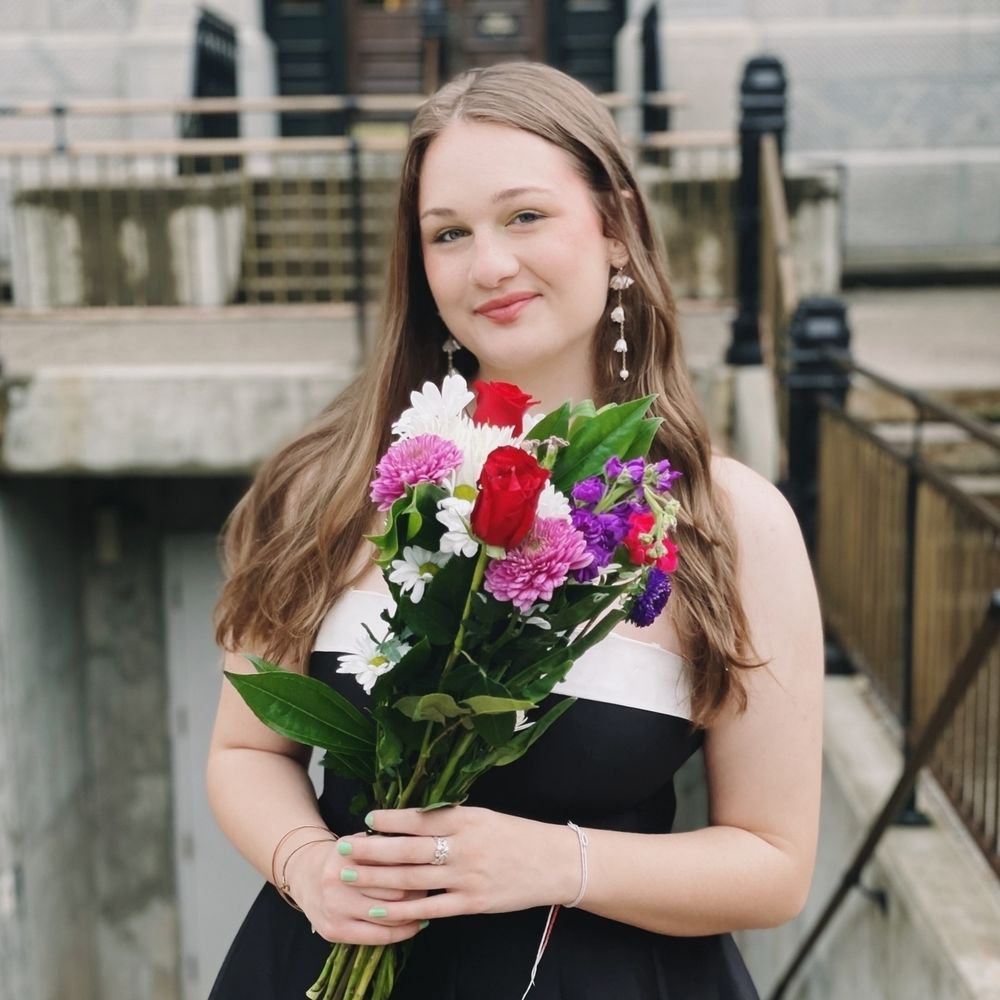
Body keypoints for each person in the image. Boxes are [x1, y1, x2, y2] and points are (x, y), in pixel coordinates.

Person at [207, 61, 824, 1000]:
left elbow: (773, 864)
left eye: (525, 216)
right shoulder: (329, 489)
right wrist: (309, 866)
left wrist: (554, 863)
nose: (487, 265)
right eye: (447, 233)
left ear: (614, 226)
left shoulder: (731, 523)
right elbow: (247, 751)